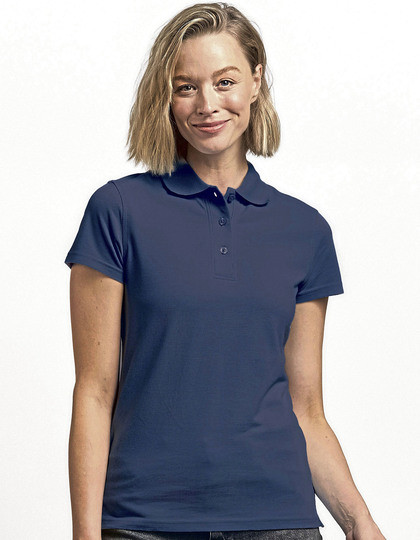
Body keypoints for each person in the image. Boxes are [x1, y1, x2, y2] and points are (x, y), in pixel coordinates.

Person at [64, 3, 386, 540]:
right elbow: (94, 392)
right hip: (145, 522)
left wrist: (360, 523)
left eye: (225, 81)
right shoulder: (118, 210)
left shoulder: (304, 229)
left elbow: (305, 409)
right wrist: (85, 533)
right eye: (186, 86)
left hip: (279, 521)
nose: (207, 104)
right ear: (165, 97)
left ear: (256, 82)